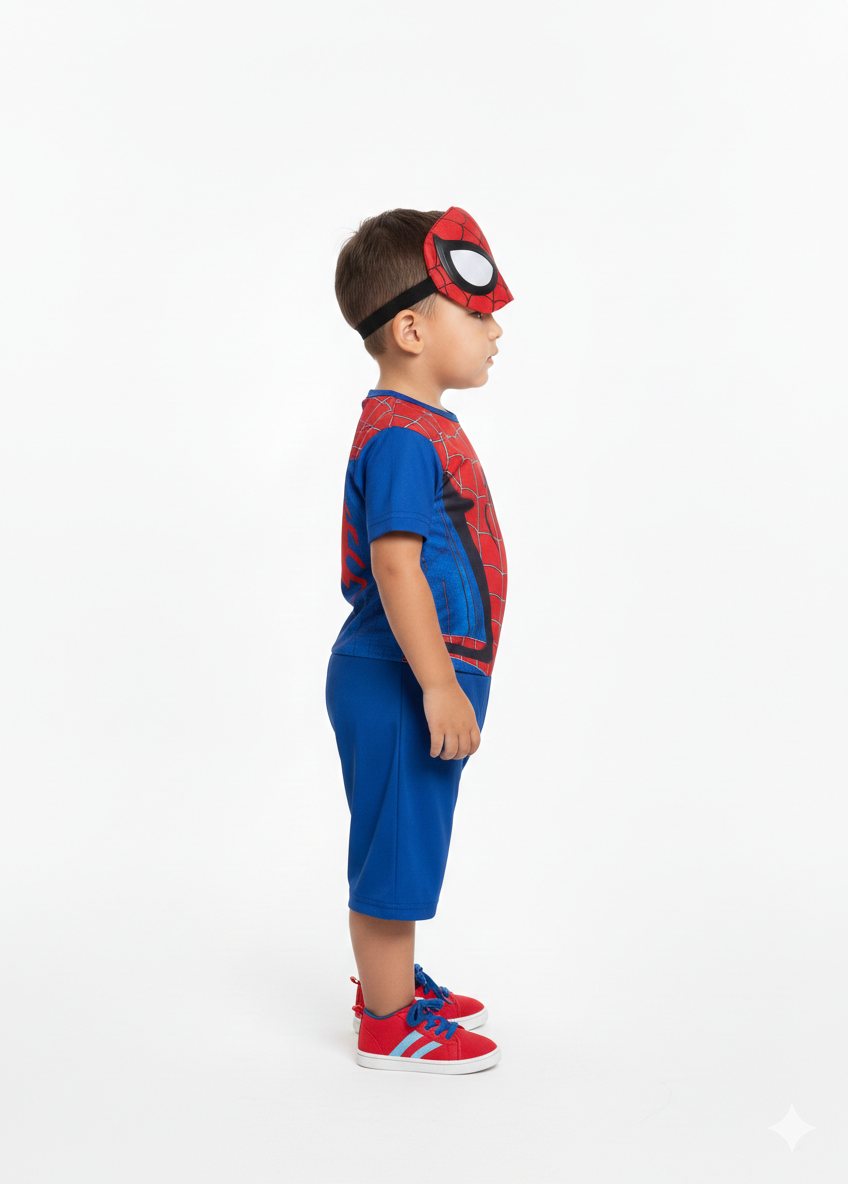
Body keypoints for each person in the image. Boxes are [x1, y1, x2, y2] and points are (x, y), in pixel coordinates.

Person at [325, 207, 512, 1074]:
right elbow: (396, 566)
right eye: (476, 313)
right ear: (411, 329)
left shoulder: (416, 424)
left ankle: (391, 985)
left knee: (409, 836)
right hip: (402, 676)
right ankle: (389, 1024)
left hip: (415, 673)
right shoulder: (402, 436)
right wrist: (438, 684)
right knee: (396, 851)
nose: (495, 331)